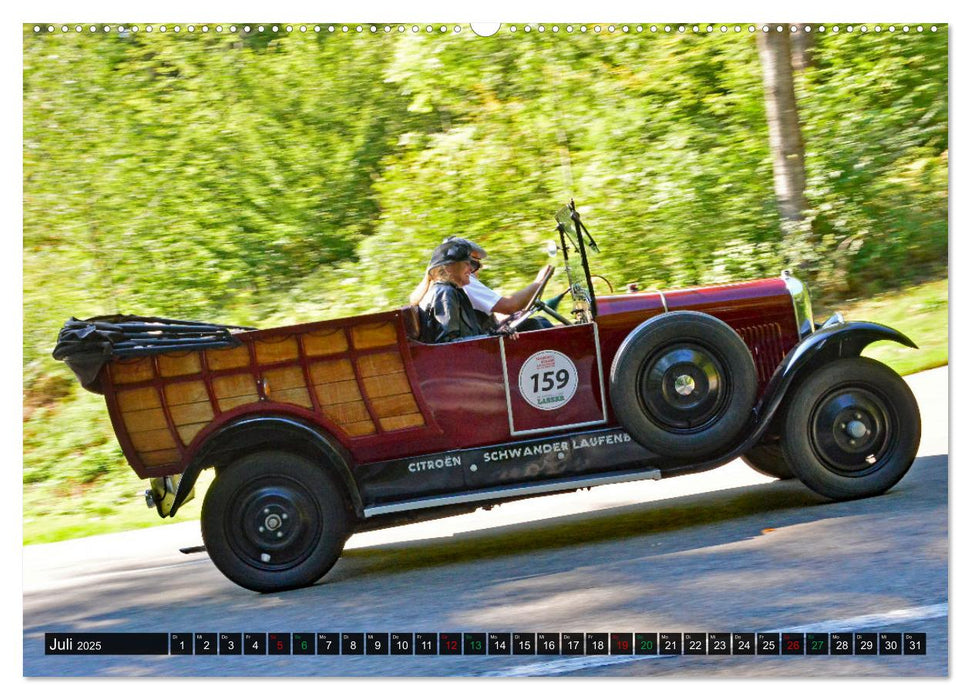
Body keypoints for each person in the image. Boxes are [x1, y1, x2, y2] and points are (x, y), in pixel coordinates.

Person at [410, 236, 553, 332]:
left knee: (539, 322)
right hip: (478, 351)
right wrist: (538, 282)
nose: (472, 269)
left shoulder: (453, 287)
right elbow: (451, 341)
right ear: (451, 265)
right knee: (533, 325)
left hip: (481, 341)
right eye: (471, 263)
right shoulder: (449, 290)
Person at [415, 240, 486, 344]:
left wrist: (497, 333)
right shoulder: (445, 293)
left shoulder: (453, 292)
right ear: (448, 268)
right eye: (466, 264)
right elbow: (449, 344)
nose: (471, 269)